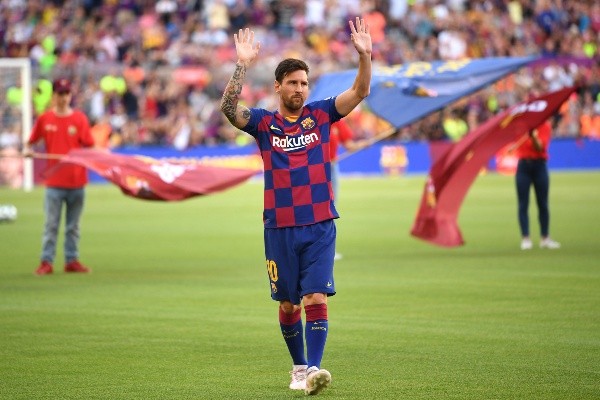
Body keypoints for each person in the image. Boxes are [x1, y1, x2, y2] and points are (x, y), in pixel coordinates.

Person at [220, 18, 372, 395]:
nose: (300, 89)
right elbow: (227, 108)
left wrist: (365, 57)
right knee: (289, 305)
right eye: (293, 83)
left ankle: (316, 369)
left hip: (320, 223)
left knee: (316, 296)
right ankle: (299, 366)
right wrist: (241, 64)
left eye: (304, 83)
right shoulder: (263, 123)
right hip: (279, 227)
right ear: (278, 87)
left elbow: (360, 91)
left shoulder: (322, 114)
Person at [24, 78, 95, 275]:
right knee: (51, 225)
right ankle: (46, 261)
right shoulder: (45, 119)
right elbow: (30, 142)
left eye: (66, 94)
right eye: (60, 94)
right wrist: (28, 150)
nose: (63, 98)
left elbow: (90, 145)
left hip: (76, 181)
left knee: (73, 226)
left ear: (70, 95)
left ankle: (71, 260)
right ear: (54, 96)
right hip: (54, 183)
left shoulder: (79, 119)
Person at [514, 119, 560, 250]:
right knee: (523, 204)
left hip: (539, 165)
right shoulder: (520, 127)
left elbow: (540, 147)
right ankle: (525, 238)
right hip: (523, 166)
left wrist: (533, 136)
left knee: (543, 203)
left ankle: (545, 237)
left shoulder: (544, 126)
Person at [329, 118, 367, 260]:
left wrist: (363, 144)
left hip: (331, 167)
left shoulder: (338, 121)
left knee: (330, 209)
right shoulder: (313, 119)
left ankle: (327, 250)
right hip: (315, 169)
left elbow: (349, 145)